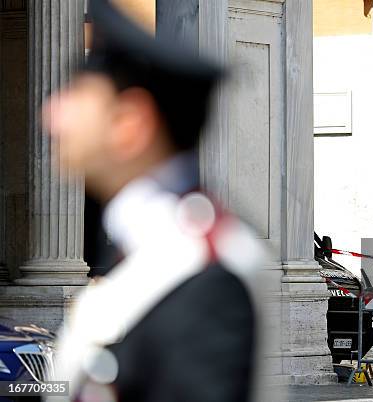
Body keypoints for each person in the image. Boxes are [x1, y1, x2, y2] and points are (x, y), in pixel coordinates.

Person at [46, 1, 264, 400]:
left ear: (131, 123)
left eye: (74, 95)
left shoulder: (204, 275)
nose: (51, 115)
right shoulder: (146, 245)